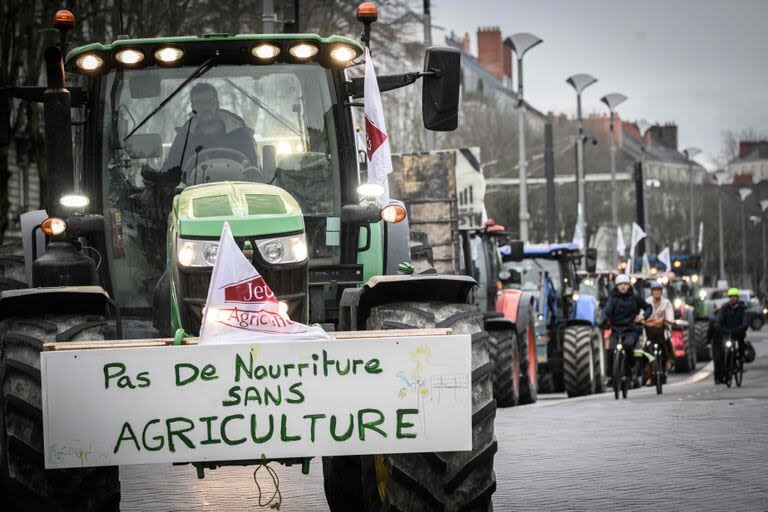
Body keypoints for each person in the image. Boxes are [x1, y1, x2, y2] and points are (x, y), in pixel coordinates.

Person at [161, 82, 259, 180]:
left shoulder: (240, 134)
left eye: (208, 101)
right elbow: (170, 169)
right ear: (193, 107)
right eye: (198, 103)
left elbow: (254, 171)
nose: (204, 107)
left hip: (236, 190)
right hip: (194, 193)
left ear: (217, 103)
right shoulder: (184, 138)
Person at [600, 274, 653, 384]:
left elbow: (648, 307)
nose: (623, 287)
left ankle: (632, 366)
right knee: (610, 350)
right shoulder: (612, 299)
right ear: (617, 287)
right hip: (616, 330)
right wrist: (603, 320)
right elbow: (606, 311)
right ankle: (610, 375)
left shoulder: (635, 298)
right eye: (620, 285)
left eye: (625, 284)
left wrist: (643, 316)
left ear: (629, 286)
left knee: (628, 345)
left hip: (631, 329)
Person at [712, 288, 748, 383]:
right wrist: (717, 325)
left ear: (737, 298)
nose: (732, 299)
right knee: (725, 349)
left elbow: (745, 321)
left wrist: (743, 327)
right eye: (731, 297)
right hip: (727, 332)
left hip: (738, 332)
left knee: (741, 344)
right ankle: (725, 370)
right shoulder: (725, 308)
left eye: (734, 297)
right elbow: (719, 318)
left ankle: (741, 358)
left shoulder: (742, 308)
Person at [643, 281, 675, 383]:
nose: (657, 293)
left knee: (667, 342)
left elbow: (669, 318)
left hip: (662, 330)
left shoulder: (666, 302)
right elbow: (643, 317)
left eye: (659, 290)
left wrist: (662, 321)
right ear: (651, 292)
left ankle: (668, 361)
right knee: (644, 348)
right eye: (655, 290)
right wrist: (656, 321)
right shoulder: (646, 302)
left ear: (661, 292)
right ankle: (648, 375)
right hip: (648, 331)